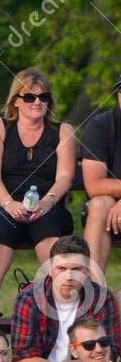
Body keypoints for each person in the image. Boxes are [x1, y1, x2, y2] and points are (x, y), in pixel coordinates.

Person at [0, 69, 78, 316]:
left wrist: (47, 201)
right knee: (1, 222)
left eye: (44, 97)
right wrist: (10, 204)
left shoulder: (62, 131)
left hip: (47, 205)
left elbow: (65, 176)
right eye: (30, 97)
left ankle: (62, 299)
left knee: (47, 223)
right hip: (3, 203)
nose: (38, 102)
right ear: (16, 101)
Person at [10, 235, 121, 362]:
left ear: (87, 271)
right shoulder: (29, 298)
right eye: (61, 268)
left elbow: (110, 351)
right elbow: (24, 357)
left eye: (76, 269)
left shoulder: (102, 298)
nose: (68, 276)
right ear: (50, 269)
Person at [79, 75, 121, 272]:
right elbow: (94, 185)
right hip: (108, 214)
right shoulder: (99, 126)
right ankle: (94, 293)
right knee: (100, 203)